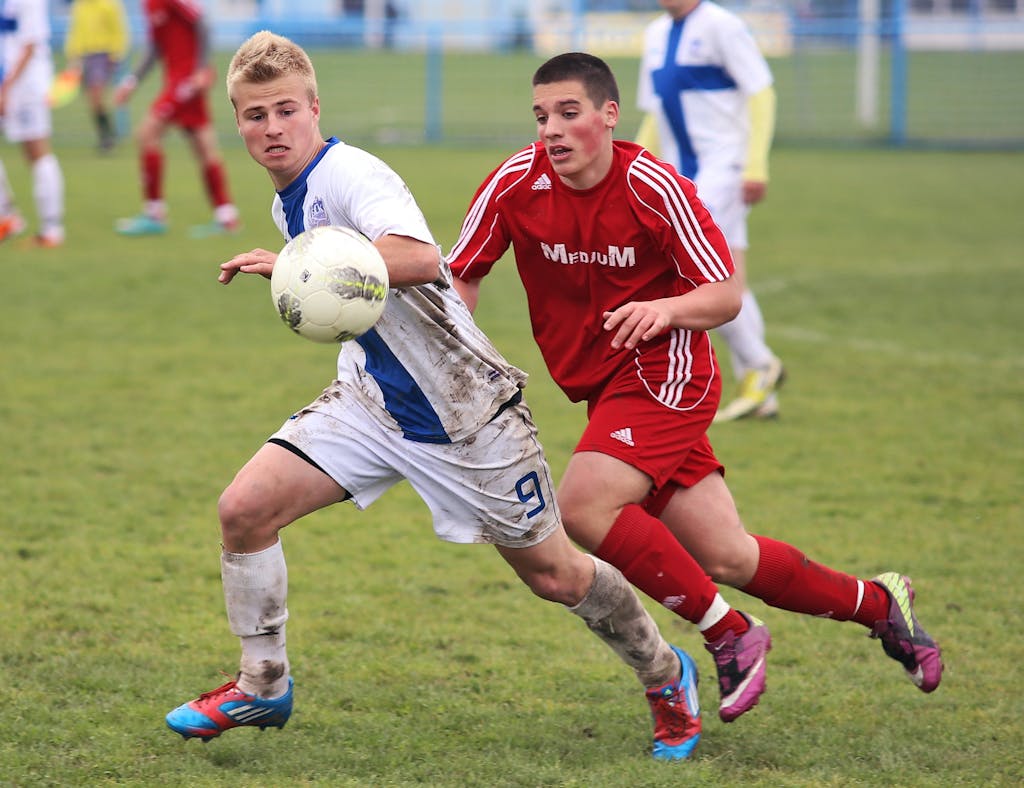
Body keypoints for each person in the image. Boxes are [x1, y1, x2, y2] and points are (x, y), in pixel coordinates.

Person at [163, 31, 705, 762]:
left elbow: (422, 259)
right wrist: (301, 264)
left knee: (556, 574)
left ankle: (666, 672)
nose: (271, 129)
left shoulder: (354, 175)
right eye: (254, 116)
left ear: (314, 107)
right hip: (372, 403)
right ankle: (262, 683)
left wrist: (306, 263)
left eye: (285, 110)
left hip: (467, 416)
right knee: (244, 509)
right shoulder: (288, 202)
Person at [447, 52, 943, 712]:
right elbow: (462, 272)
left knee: (586, 507)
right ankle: (881, 605)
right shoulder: (515, 182)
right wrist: (452, 353)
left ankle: (729, 633)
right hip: (605, 386)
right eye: (541, 117)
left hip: (667, 373)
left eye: (569, 113)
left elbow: (726, 294)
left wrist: (665, 309)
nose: (552, 131)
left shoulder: (653, 186)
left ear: (609, 115)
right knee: (728, 557)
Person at [636, 0, 783, 422]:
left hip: (725, 170)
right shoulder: (655, 34)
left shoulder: (723, 26)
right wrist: (637, 165)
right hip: (685, 176)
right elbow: (657, 112)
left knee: (691, 272)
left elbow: (761, 93)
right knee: (726, 275)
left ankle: (760, 363)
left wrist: (755, 164)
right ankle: (761, 387)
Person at [112, 0, 238, 238]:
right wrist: (132, 82)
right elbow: (155, 48)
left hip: (187, 80)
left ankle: (154, 214)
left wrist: (201, 69)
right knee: (203, 145)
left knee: (147, 133)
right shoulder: (148, 4)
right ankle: (226, 217)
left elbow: (203, 22)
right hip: (179, 80)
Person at [0, 0, 66, 248]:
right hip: (10, 82)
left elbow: (30, 45)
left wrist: (6, 87)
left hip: (27, 85)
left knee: (36, 151)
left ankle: (52, 229)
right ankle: (7, 217)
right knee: (33, 153)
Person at [63, 0, 130, 152]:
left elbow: (119, 31)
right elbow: (75, 33)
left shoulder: (109, 5)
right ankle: (106, 134)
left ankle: (107, 138)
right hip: (83, 56)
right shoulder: (79, 6)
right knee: (92, 101)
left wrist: (116, 54)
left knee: (97, 95)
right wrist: (72, 56)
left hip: (102, 55)